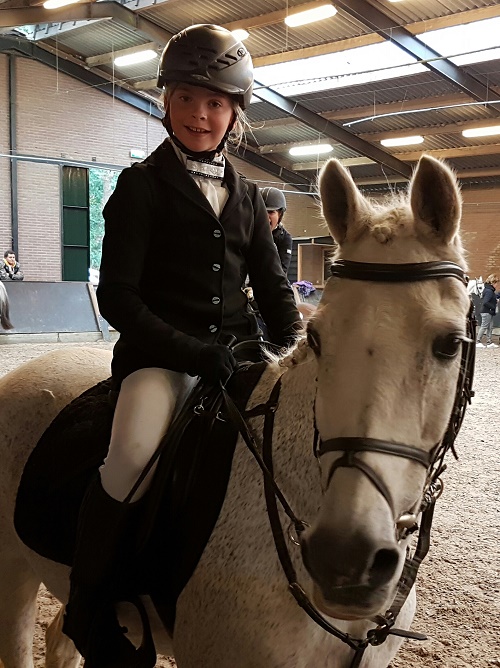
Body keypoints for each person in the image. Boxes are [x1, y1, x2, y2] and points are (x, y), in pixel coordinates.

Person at [62, 24, 301, 666]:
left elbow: (274, 289)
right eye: (187, 98)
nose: (200, 114)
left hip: (239, 358)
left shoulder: (247, 197)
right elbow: (119, 299)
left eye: (215, 102)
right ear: (166, 100)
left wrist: (293, 346)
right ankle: (90, 603)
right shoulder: (140, 186)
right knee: (131, 457)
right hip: (162, 362)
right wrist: (190, 352)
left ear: (234, 113)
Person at [260, 186, 293, 275]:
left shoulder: (284, 238)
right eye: (262, 212)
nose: (265, 217)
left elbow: (281, 272)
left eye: (271, 212)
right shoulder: (248, 233)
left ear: (280, 214)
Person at [476, 273, 499, 348]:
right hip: (487, 311)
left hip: (488, 311)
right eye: (496, 283)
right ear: (493, 283)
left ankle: (489, 342)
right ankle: (478, 341)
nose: (497, 285)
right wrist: (493, 307)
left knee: (490, 327)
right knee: (484, 326)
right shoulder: (489, 291)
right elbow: (485, 302)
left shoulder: (489, 290)